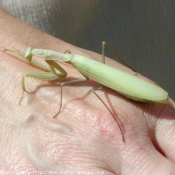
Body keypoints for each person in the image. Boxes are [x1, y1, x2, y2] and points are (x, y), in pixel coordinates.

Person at [0, 8, 175, 174]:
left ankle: (115, 118)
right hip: (157, 69)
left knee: (73, 85)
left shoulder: (71, 63)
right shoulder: (71, 58)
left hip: (156, 69)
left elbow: (58, 75)